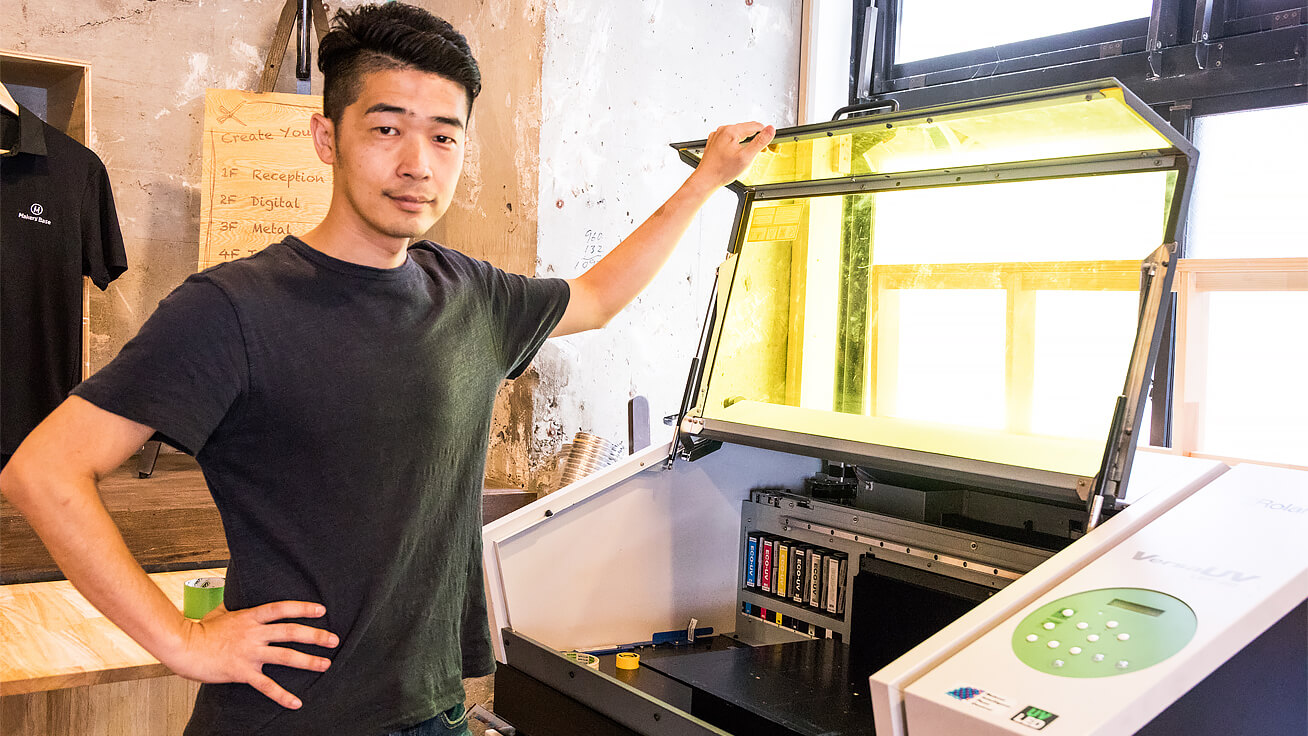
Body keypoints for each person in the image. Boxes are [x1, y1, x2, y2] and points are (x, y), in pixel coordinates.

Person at [0, 3, 773, 736]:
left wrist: (705, 179)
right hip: (289, 718)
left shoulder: (471, 294)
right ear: (326, 138)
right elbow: (43, 471)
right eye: (385, 128)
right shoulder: (233, 308)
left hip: (435, 708)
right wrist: (182, 640)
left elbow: (598, 297)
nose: (416, 164)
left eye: (444, 136)